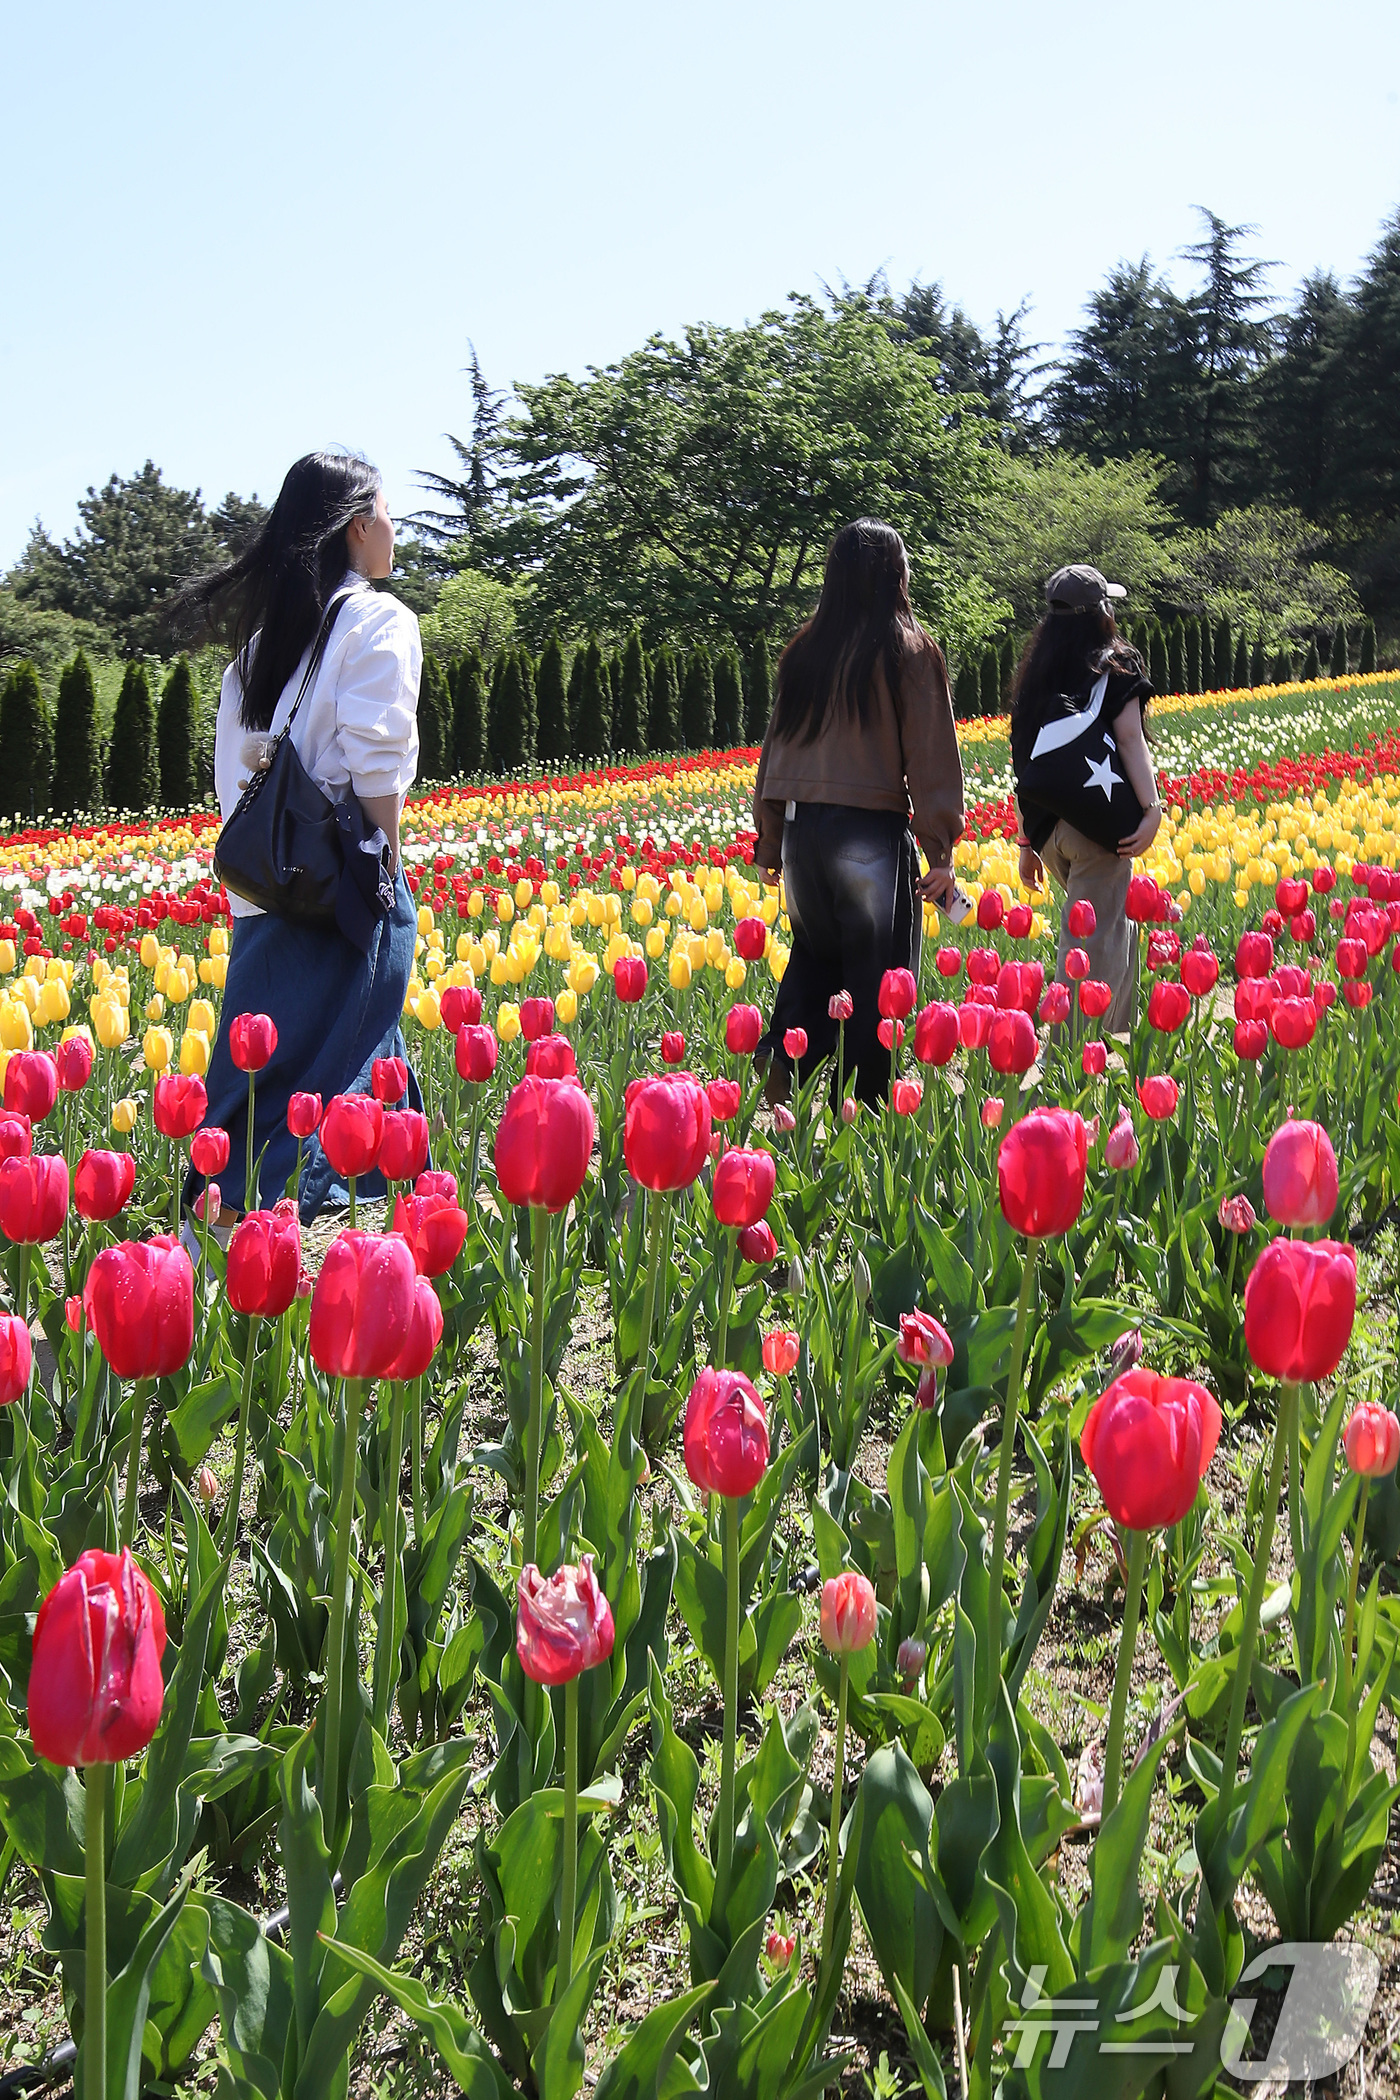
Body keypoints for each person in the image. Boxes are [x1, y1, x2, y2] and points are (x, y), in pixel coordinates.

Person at [176, 450, 423, 1220]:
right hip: (341, 886)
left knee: (271, 1072)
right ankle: (262, 1233)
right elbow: (375, 767)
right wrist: (382, 864)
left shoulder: (254, 654)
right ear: (357, 524)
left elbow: (234, 785)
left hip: (266, 893)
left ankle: (360, 1208)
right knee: (319, 1075)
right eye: (385, 510)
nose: (393, 526)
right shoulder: (377, 620)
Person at [752, 518, 964, 1105]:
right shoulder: (908, 650)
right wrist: (940, 850)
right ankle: (868, 1110)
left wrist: (770, 841)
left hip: (801, 833)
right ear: (896, 575)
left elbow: (776, 749)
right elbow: (931, 757)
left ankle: (780, 1079)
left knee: (813, 961)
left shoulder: (804, 651)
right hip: (867, 832)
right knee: (877, 981)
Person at [1010, 565, 1162, 1031]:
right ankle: (1071, 1065)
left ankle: (1116, 1045)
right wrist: (1153, 810)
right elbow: (1131, 738)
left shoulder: (1034, 676)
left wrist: (1024, 843)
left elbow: (1024, 763)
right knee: (1090, 949)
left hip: (1049, 832)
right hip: (1097, 829)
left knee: (1114, 933)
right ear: (1100, 613)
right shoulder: (1116, 663)